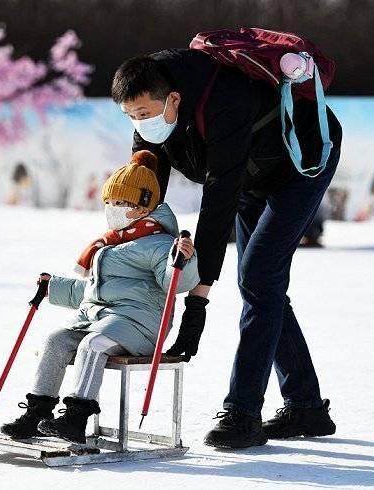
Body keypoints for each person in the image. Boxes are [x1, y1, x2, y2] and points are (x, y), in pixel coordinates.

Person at [111, 49, 342, 448]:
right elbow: (147, 190)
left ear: (174, 99)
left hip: (301, 161)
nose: (140, 123)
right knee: (259, 285)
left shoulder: (225, 100)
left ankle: (243, 413)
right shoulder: (151, 116)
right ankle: (306, 406)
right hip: (255, 169)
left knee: (258, 278)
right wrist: (128, 241)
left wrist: (197, 300)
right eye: (131, 115)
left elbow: (218, 199)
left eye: (145, 113)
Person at [0, 150, 199, 443]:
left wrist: (183, 261)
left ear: (144, 206)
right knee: (56, 341)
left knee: (93, 344)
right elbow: (94, 291)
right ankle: (37, 413)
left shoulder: (159, 244)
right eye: (109, 202)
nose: (113, 209)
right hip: (100, 319)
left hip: (140, 325)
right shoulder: (110, 245)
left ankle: (76, 417)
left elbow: (176, 284)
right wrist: (53, 287)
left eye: (122, 203)